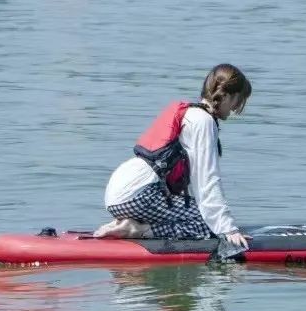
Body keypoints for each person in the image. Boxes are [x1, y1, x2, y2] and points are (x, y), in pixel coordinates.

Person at [93, 63, 252, 248]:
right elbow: (208, 181)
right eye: (237, 101)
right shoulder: (203, 122)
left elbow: (193, 187)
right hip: (138, 195)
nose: (235, 109)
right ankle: (138, 231)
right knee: (207, 225)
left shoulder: (191, 113)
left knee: (205, 215)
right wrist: (228, 229)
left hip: (120, 193)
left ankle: (130, 224)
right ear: (225, 95)